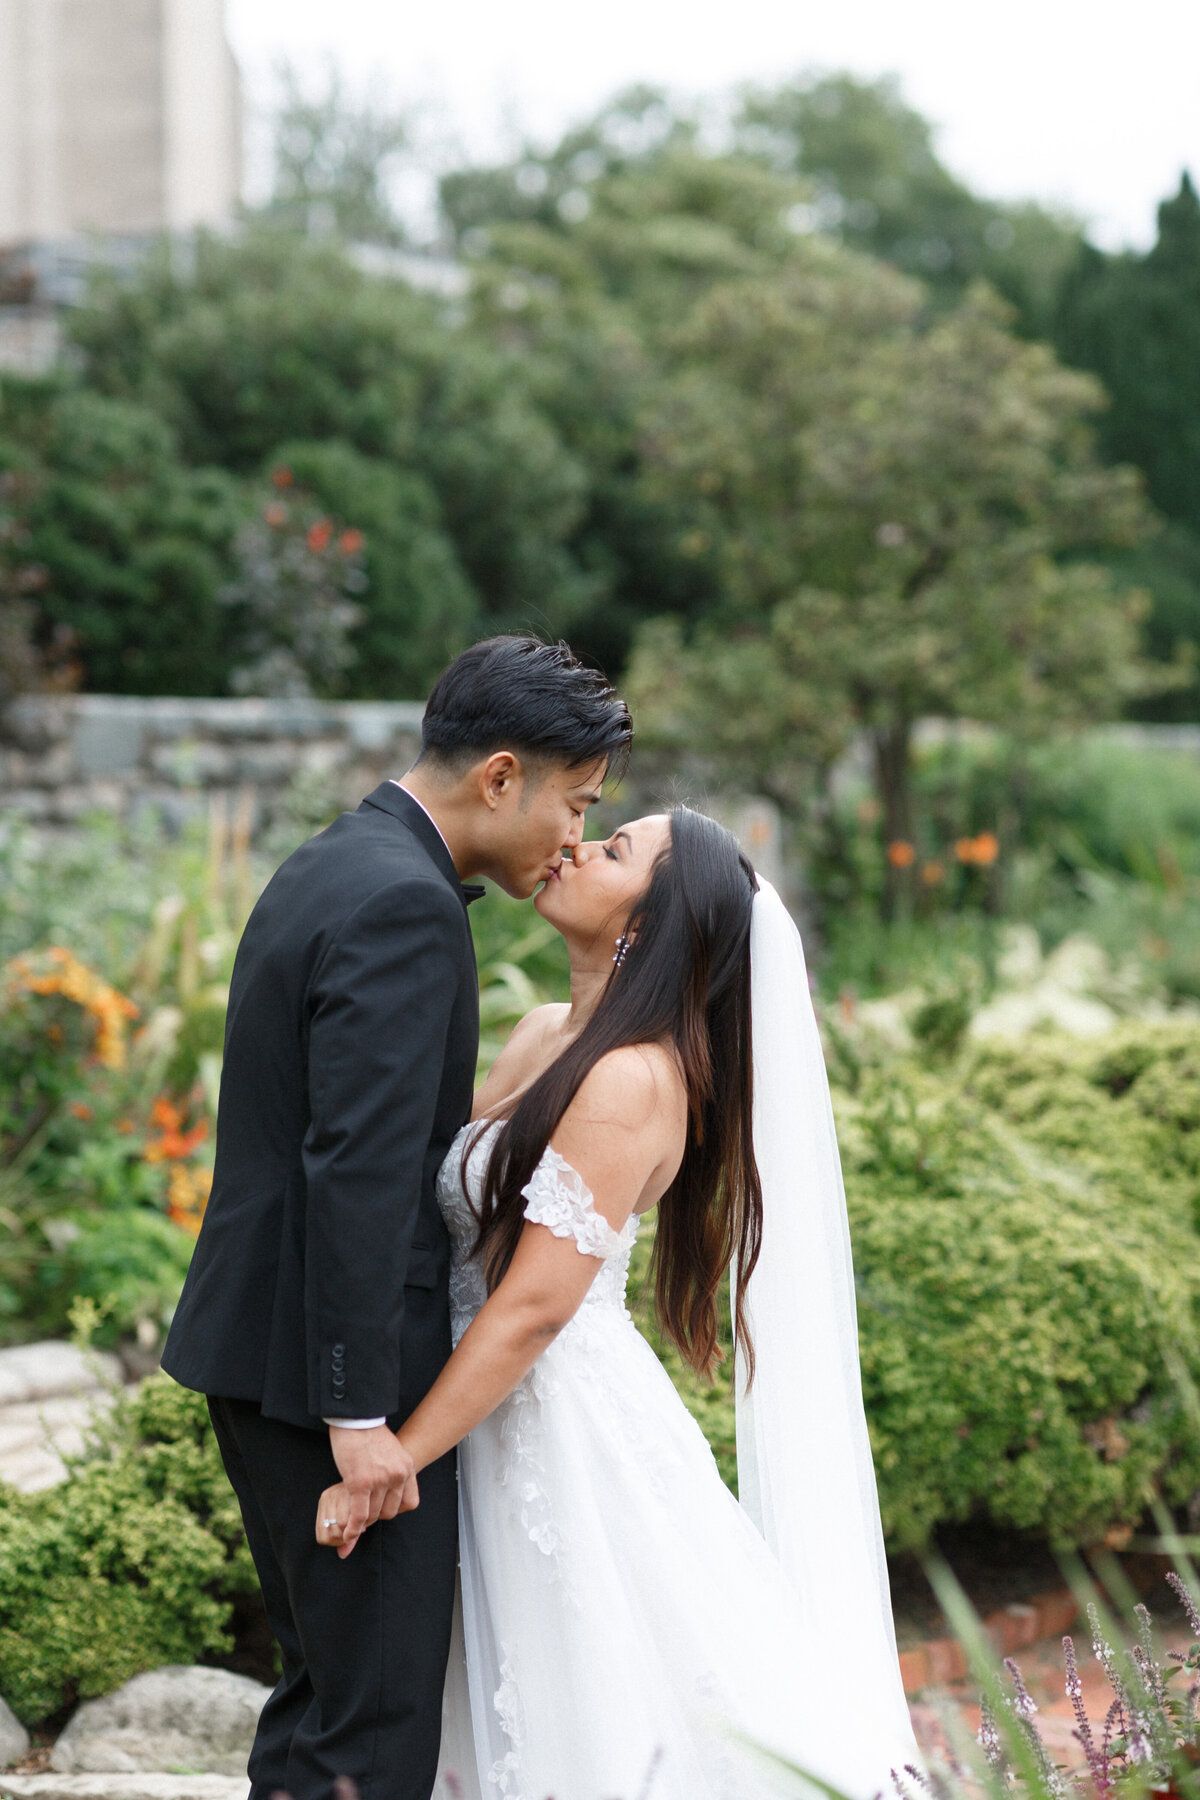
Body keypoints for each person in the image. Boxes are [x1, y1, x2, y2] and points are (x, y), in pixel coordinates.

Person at [316, 806, 920, 1800]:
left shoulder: (635, 1081)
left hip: (555, 1429)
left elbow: (533, 1309)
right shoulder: (545, 1031)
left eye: (617, 848)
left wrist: (391, 1461)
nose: (581, 844)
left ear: (648, 925)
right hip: (473, 1403)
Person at [161, 636, 633, 1800]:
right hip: (316, 1382)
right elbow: (356, 1170)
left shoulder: (341, 860)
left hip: (258, 1348)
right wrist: (359, 1411)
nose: (572, 838)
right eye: (574, 805)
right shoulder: (407, 908)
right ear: (503, 775)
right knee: (370, 1724)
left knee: (323, 1699)